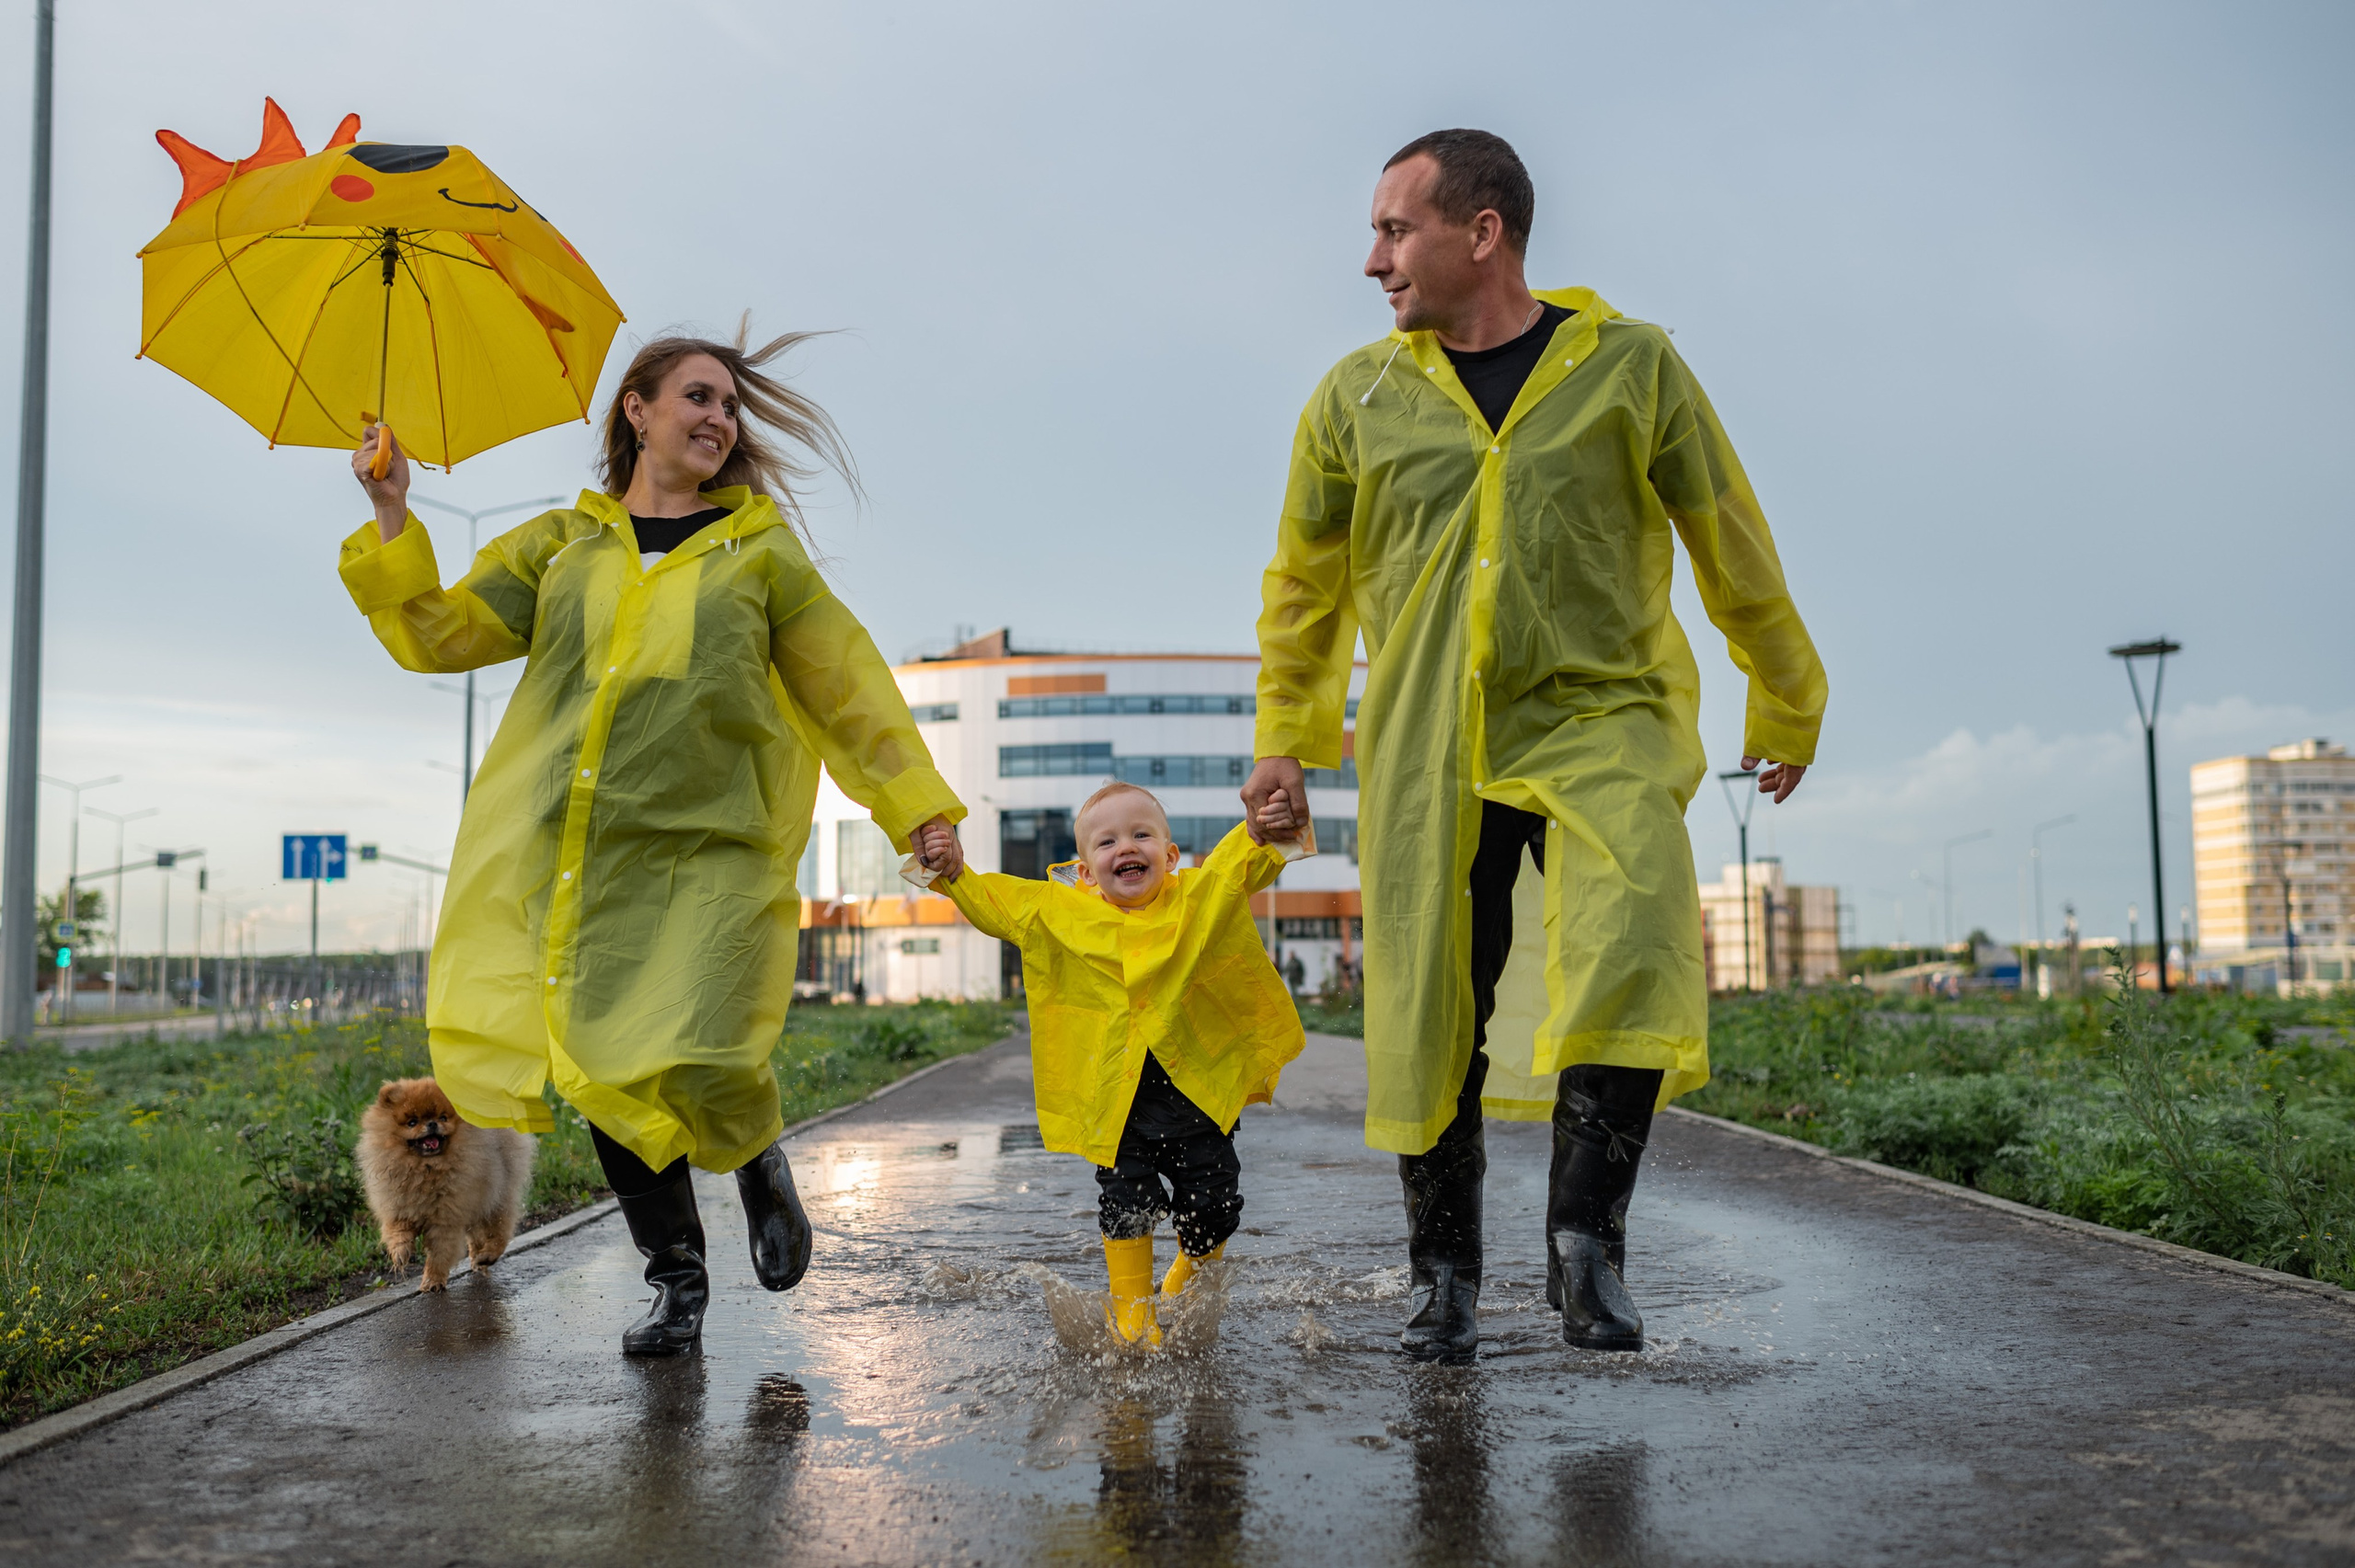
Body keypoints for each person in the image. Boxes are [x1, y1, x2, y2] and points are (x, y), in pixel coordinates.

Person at [1244, 130, 1827, 1362]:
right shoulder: (1355, 397)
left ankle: (1584, 1252)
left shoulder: (1632, 367)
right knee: (1432, 1000)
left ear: (1483, 230)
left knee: (1637, 939)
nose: (1372, 259)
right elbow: (1303, 585)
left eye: (1395, 230)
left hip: (1601, 711)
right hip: (1424, 738)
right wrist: (1286, 738)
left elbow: (1728, 532)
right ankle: (1442, 1274)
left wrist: (1783, 696)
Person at [339, 326, 967, 1356]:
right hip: (587, 860)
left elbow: (842, 681)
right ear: (636, 409)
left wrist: (917, 805)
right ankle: (677, 1281)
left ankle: (760, 1165)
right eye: (699, 397)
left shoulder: (759, 552)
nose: (720, 418)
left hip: (713, 850)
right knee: (601, 1071)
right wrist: (392, 508)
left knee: (708, 1038)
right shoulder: (559, 547)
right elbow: (439, 633)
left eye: (730, 406)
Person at [912, 784, 1307, 1348]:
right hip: (1114, 1103)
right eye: (1108, 841)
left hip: (1195, 1094)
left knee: (1215, 1204)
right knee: (1128, 1203)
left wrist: (1263, 829)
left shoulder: (1197, 894)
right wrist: (953, 871)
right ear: (1086, 870)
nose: (1127, 846)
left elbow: (1238, 862)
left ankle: (1184, 1279)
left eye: (1142, 834)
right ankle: (1134, 1317)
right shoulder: (1057, 909)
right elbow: (994, 903)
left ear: (1170, 857)